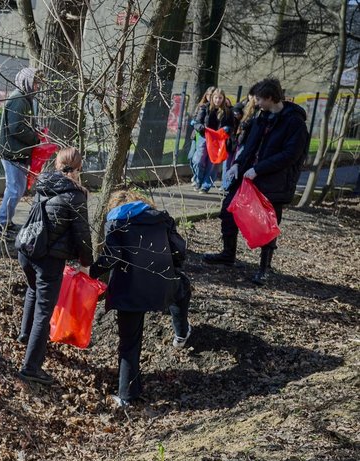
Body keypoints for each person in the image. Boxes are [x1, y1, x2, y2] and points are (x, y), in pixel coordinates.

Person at [89, 190, 192, 408]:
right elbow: (179, 250)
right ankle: (181, 333)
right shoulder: (161, 219)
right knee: (181, 292)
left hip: (130, 290)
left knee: (129, 342)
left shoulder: (116, 222)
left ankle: (127, 395)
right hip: (162, 283)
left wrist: (91, 272)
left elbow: (112, 257)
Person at [203, 78, 309, 285]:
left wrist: (258, 169)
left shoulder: (294, 122)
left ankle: (264, 268)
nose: (255, 102)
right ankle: (228, 254)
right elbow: (250, 146)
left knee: (267, 223)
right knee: (228, 210)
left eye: (259, 99)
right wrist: (238, 164)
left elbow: (291, 155)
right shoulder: (262, 117)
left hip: (274, 182)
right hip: (247, 176)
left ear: (270, 98)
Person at [16, 147, 93, 386]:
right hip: (48, 260)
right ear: (78, 169)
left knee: (32, 290)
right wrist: (86, 263)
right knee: (44, 312)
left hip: (27, 251)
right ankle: (31, 368)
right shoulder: (76, 195)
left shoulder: (42, 185)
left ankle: (25, 335)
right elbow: (82, 235)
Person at [0, 67, 40, 239]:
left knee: (16, 189)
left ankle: (6, 222)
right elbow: (16, 128)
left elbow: (22, 124)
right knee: (14, 190)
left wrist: (36, 131)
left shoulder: (24, 99)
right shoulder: (19, 99)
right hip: (13, 152)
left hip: (16, 151)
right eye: (35, 82)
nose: (37, 86)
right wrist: (35, 139)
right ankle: (0, 225)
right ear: (26, 82)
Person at [191, 88, 233, 194]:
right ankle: (198, 180)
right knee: (198, 160)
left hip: (218, 140)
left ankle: (205, 186)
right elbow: (197, 122)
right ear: (212, 98)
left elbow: (231, 126)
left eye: (220, 98)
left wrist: (227, 129)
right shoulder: (204, 108)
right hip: (204, 137)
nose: (218, 100)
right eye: (216, 97)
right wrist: (201, 127)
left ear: (223, 99)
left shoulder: (228, 111)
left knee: (213, 163)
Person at [187, 86, 215, 187]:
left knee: (200, 160)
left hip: (207, 136)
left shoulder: (214, 109)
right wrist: (194, 122)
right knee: (191, 157)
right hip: (196, 135)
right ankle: (196, 175)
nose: (210, 97)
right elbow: (195, 118)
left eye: (212, 95)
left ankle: (199, 178)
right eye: (209, 95)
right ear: (206, 95)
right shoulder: (201, 106)